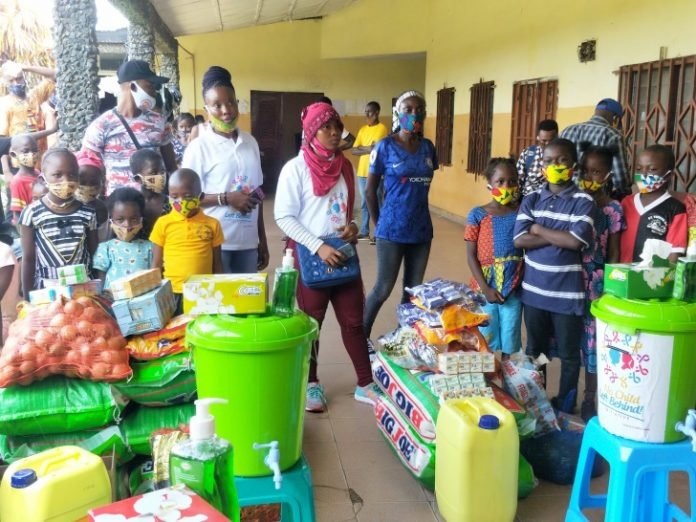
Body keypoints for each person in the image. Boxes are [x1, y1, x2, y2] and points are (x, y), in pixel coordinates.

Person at [274, 101, 380, 412]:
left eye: (337, 127)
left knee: (353, 321)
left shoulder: (345, 166)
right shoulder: (295, 169)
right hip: (310, 255)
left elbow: (354, 210)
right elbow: (284, 216)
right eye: (326, 128)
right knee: (312, 324)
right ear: (311, 132)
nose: (335, 133)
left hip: (342, 253)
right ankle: (311, 384)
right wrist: (317, 246)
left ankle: (365, 383)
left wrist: (353, 227)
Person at [513, 138, 595, 413]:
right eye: (549, 161)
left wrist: (537, 229)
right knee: (536, 352)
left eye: (561, 160)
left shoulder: (583, 201)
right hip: (534, 294)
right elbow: (519, 240)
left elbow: (575, 242)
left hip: (567, 297)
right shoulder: (532, 199)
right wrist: (559, 236)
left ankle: (565, 406)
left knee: (570, 356)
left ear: (573, 165)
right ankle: (539, 404)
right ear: (542, 166)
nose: (555, 166)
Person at [363, 90, 438, 340]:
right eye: (408, 110)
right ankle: (361, 337)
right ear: (398, 113)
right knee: (383, 288)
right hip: (391, 230)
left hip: (421, 231)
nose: (414, 114)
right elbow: (370, 191)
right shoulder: (385, 146)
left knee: (413, 291)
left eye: (419, 110)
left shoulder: (428, 148)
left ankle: (403, 338)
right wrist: (378, 224)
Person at [182, 66, 269, 273]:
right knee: (218, 294)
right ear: (207, 109)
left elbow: (257, 194)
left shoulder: (250, 142)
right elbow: (184, 200)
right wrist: (227, 198)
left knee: (246, 294)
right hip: (214, 244)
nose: (226, 110)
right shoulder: (199, 147)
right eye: (217, 105)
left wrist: (261, 239)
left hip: (247, 244)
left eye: (230, 102)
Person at [576, 145, 624, 420]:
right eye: (585, 171)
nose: (589, 177)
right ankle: (566, 393)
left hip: (597, 285)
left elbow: (614, 252)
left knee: (593, 344)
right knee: (568, 341)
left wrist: (610, 287)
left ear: (607, 175)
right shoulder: (574, 200)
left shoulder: (613, 208)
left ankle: (589, 398)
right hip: (569, 280)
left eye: (596, 172)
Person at [81, 60, 177, 195]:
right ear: (133, 86)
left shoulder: (159, 122)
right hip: (119, 204)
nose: (154, 92)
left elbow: (171, 166)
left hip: (153, 201)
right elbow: (88, 169)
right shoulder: (101, 126)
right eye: (150, 86)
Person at [465, 158, 523, 360]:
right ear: (489, 183)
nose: (507, 186)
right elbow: (471, 255)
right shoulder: (477, 214)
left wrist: (518, 282)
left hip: (513, 286)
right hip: (485, 288)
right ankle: (488, 377)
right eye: (500, 181)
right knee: (485, 337)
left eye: (512, 181)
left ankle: (507, 375)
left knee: (510, 337)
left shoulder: (521, 213)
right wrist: (485, 288)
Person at [19, 149, 98, 293]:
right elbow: (28, 259)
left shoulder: (88, 213)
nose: (65, 181)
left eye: (72, 174)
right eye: (57, 175)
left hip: (83, 288)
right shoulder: (31, 213)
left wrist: (99, 289)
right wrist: (27, 297)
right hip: (48, 289)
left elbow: (95, 255)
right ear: (43, 178)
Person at [150, 168, 224, 314]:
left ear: (200, 197)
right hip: (173, 291)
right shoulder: (163, 223)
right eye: (174, 196)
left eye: (187, 196)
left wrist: (220, 288)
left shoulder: (212, 224)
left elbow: (218, 263)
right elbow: (156, 264)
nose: (180, 201)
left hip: (204, 291)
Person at [619, 145, 687, 264]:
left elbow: (675, 252)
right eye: (639, 169)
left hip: (653, 274)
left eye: (652, 169)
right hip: (620, 271)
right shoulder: (626, 202)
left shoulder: (675, 209)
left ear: (668, 175)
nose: (643, 174)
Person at [560, 98, 630, 198]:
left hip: (563, 193)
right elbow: (620, 177)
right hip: (593, 196)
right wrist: (625, 191)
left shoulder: (567, 130)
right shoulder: (612, 135)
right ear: (615, 118)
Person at [93, 187, 153, 289]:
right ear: (111, 220)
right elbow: (101, 278)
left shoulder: (150, 247)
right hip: (113, 297)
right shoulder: (106, 248)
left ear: (141, 218)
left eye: (133, 219)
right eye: (120, 219)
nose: (127, 225)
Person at [351, 101, 389, 241]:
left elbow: (377, 149)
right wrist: (368, 148)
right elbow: (354, 150)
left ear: (377, 113)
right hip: (362, 172)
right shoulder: (362, 130)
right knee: (364, 202)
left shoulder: (382, 128)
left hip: (376, 172)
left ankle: (381, 231)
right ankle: (364, 231)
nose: (366, 115)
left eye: (369, 112)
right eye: (365, 112)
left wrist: (362, 148)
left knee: (378, 201)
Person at [0, 61, 55, 149]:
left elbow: (55, 75)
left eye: (19, 79)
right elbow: (2, 139)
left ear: (24, 78)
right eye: (11, 81)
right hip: (19, 154)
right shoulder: (4, 104)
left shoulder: (35, 97)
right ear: (6, 83)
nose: (16, 83)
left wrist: (26, 68)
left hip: (40, 153)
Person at [130, 148, 168, 236]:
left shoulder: (171, 203)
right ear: (138, 178)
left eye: (162, 171)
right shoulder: (131, 204)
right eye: (153, 172)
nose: (161, 176)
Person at [516, 119, 558, 196]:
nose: (547, 144)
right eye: (544, 141)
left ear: (557, 137)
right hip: (528, 199)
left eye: (551, 141)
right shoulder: (528, 154)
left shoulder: (562, 157)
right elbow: (518, 180)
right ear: (538, 137)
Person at [74, 149, 109, 241]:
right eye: (82, 182)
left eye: (93, 182)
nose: (88, 187)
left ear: (101, 182)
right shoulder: (66, 207)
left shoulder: (102, 209)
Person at [8, 134, 39, 223]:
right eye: (26, 151)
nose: (31, 154)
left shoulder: (38, 172)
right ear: (14, 154)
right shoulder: (18, 182)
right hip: (31, 224)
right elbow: (18, 214)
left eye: (34, 150)